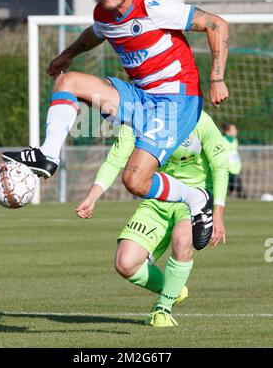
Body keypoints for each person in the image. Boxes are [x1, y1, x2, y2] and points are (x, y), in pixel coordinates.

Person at [3, 0, 228, 235]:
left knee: (134, 181)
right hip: (141, 96)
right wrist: (68, 54)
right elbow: (96, 32)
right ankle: (48, 156)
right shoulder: (104, 13)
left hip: (177, 100)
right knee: (67, 81)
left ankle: (197, 198)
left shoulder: (153, 6)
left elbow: (217, 24)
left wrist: (216, 77)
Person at [76, 110, 229, 327]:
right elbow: (115, 159)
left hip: (198, 198)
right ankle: (174, 289)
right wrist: (92, 197)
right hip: (159, 196)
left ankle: (162, 309)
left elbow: (221, 166)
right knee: (125, 262)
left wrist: (218, 213)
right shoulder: (137, 119)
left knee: (183, 239)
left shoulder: (197, 117)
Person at [222, 122, 246, 199]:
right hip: (226, 168)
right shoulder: (222, 140)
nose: (236, 131)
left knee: (236, 186)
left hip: (235, 168)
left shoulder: (235, 140)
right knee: (227, 187)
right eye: (234, 129)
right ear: (227, 131)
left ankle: (241, 196)